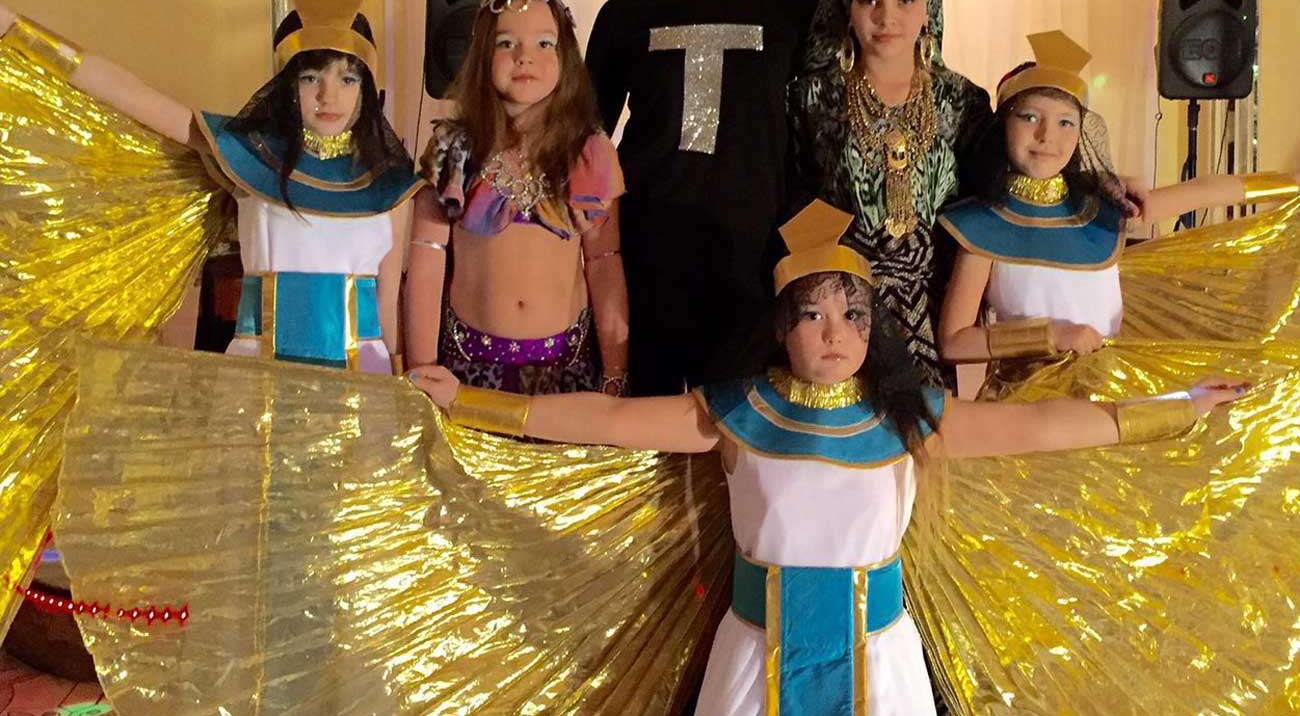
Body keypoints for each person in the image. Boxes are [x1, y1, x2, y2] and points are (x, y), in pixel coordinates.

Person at [410, 199, 1243, 716]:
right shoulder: (732, 414)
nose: (835, 333)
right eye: (812, 315)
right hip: (754, 664)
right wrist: (469, 402)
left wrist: (1173, 410)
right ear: (781, 328)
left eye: (853, 315)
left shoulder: (911, 419)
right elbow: (607, 418)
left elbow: (1042, 427)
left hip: (882, 671)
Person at [0, 0, 418, 372]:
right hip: (259, 383)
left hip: (363, 386)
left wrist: (403, 387)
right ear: (286, 85)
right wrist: (16, 30)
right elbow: (133, 94)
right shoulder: (249, 158)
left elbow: (387, 310)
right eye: (311, 78)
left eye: (347, 79)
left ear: (366, 88)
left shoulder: (388, 186)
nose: (329, 95)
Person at [586, 0, 821, 395]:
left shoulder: (792, 5)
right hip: (649, 259)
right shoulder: (624, 16)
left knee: (748, 432)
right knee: (650, 429)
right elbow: (585, 146)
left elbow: (825, 132)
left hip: (760, 264)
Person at [936, 29, 1300, 370]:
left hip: (1108, 388)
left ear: (1082, 132)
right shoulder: (982, 226)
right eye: (1030, 117)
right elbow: (954, 342)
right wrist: (1049, 336)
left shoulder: (1099, 210)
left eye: (1066, 122)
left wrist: (1287, 185)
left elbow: (1202, 192)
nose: (1047, 136)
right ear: (1004, 125)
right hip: (1027, 403)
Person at [789, 0, 995, 388]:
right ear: (847, 9)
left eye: (905, 0)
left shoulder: (961, 100)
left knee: (927, 426)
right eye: (870, 1)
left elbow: (997, 191)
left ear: (928, 9)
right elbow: (791, 195)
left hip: (935, 307)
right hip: (840, 310)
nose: (887, 17)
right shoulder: (811, 97)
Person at [407, 0, 627, 395]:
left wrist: (615, 370)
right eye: (506, 43)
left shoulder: (588, 154)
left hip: (567, 374)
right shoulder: (453, 149)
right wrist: (422, 366)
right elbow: (426, 261)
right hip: (467, 374)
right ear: (481, 56)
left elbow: (604, 263)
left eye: (544, 43)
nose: (524, 56)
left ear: (566, 58)